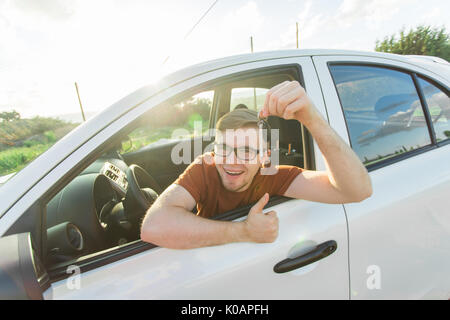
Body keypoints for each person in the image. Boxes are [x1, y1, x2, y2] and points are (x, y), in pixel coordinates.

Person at [141, 81, 372, 249]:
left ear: (265, 157)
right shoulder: (206, 166)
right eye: (224, 148)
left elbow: (357, 190)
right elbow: (153, 226)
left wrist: (311, 118)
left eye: (246, 151)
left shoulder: (273, 176)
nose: (231, 160)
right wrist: (244, 231)